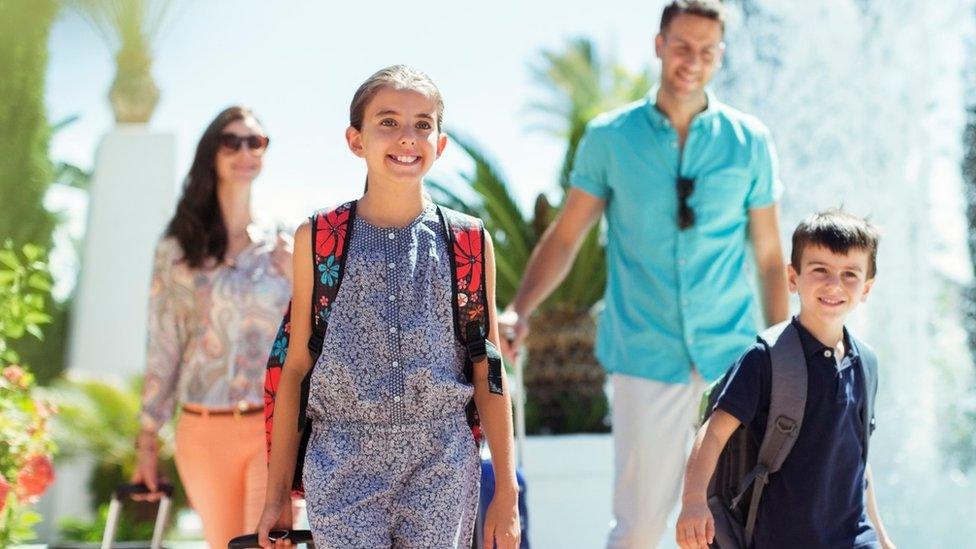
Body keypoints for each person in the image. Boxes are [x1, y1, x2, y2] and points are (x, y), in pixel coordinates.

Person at [498, 1, 790, 546]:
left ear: (720, 55)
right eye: (681, 46)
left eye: (706, 51)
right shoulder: (610, 138)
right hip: (642, 355)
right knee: (638, 528)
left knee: (735, 522)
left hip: (733, 358)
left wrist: (783, 349)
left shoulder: (750, 141)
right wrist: (520, 308)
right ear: (659, 44)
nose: (692, 61)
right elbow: (566, 237)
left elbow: (770, 259)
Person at [255, 65, 520, 549]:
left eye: (423, 124)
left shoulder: (467, 241)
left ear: (439, 144)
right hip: (341, 461)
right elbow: (294, 369)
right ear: (356, 141)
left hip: (442, 460)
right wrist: (277, 496)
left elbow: (490, 368)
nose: (407, 137)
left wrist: (507, 489)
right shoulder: (318, 239)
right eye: (388, 122)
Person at [676, 210, 896, 549]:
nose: (834, 284)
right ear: (792, 278)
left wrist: (881, 538)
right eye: (819, 269)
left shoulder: (866, 363)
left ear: (867, 287)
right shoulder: (766, 357)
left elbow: (857, 463)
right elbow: (714, 432)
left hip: (854, 540)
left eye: (849, 274)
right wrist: (693, 501)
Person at [133, 106, 293, 548]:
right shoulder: (178, 248)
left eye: (256, 142)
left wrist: (300, 279)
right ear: (212, 154)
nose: (245, 151)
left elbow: (318, 332)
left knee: (269, 543)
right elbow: (164, 343)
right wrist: (148, 437)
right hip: (202, 432)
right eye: (232, 141)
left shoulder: (286, 242)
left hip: (273, 430)